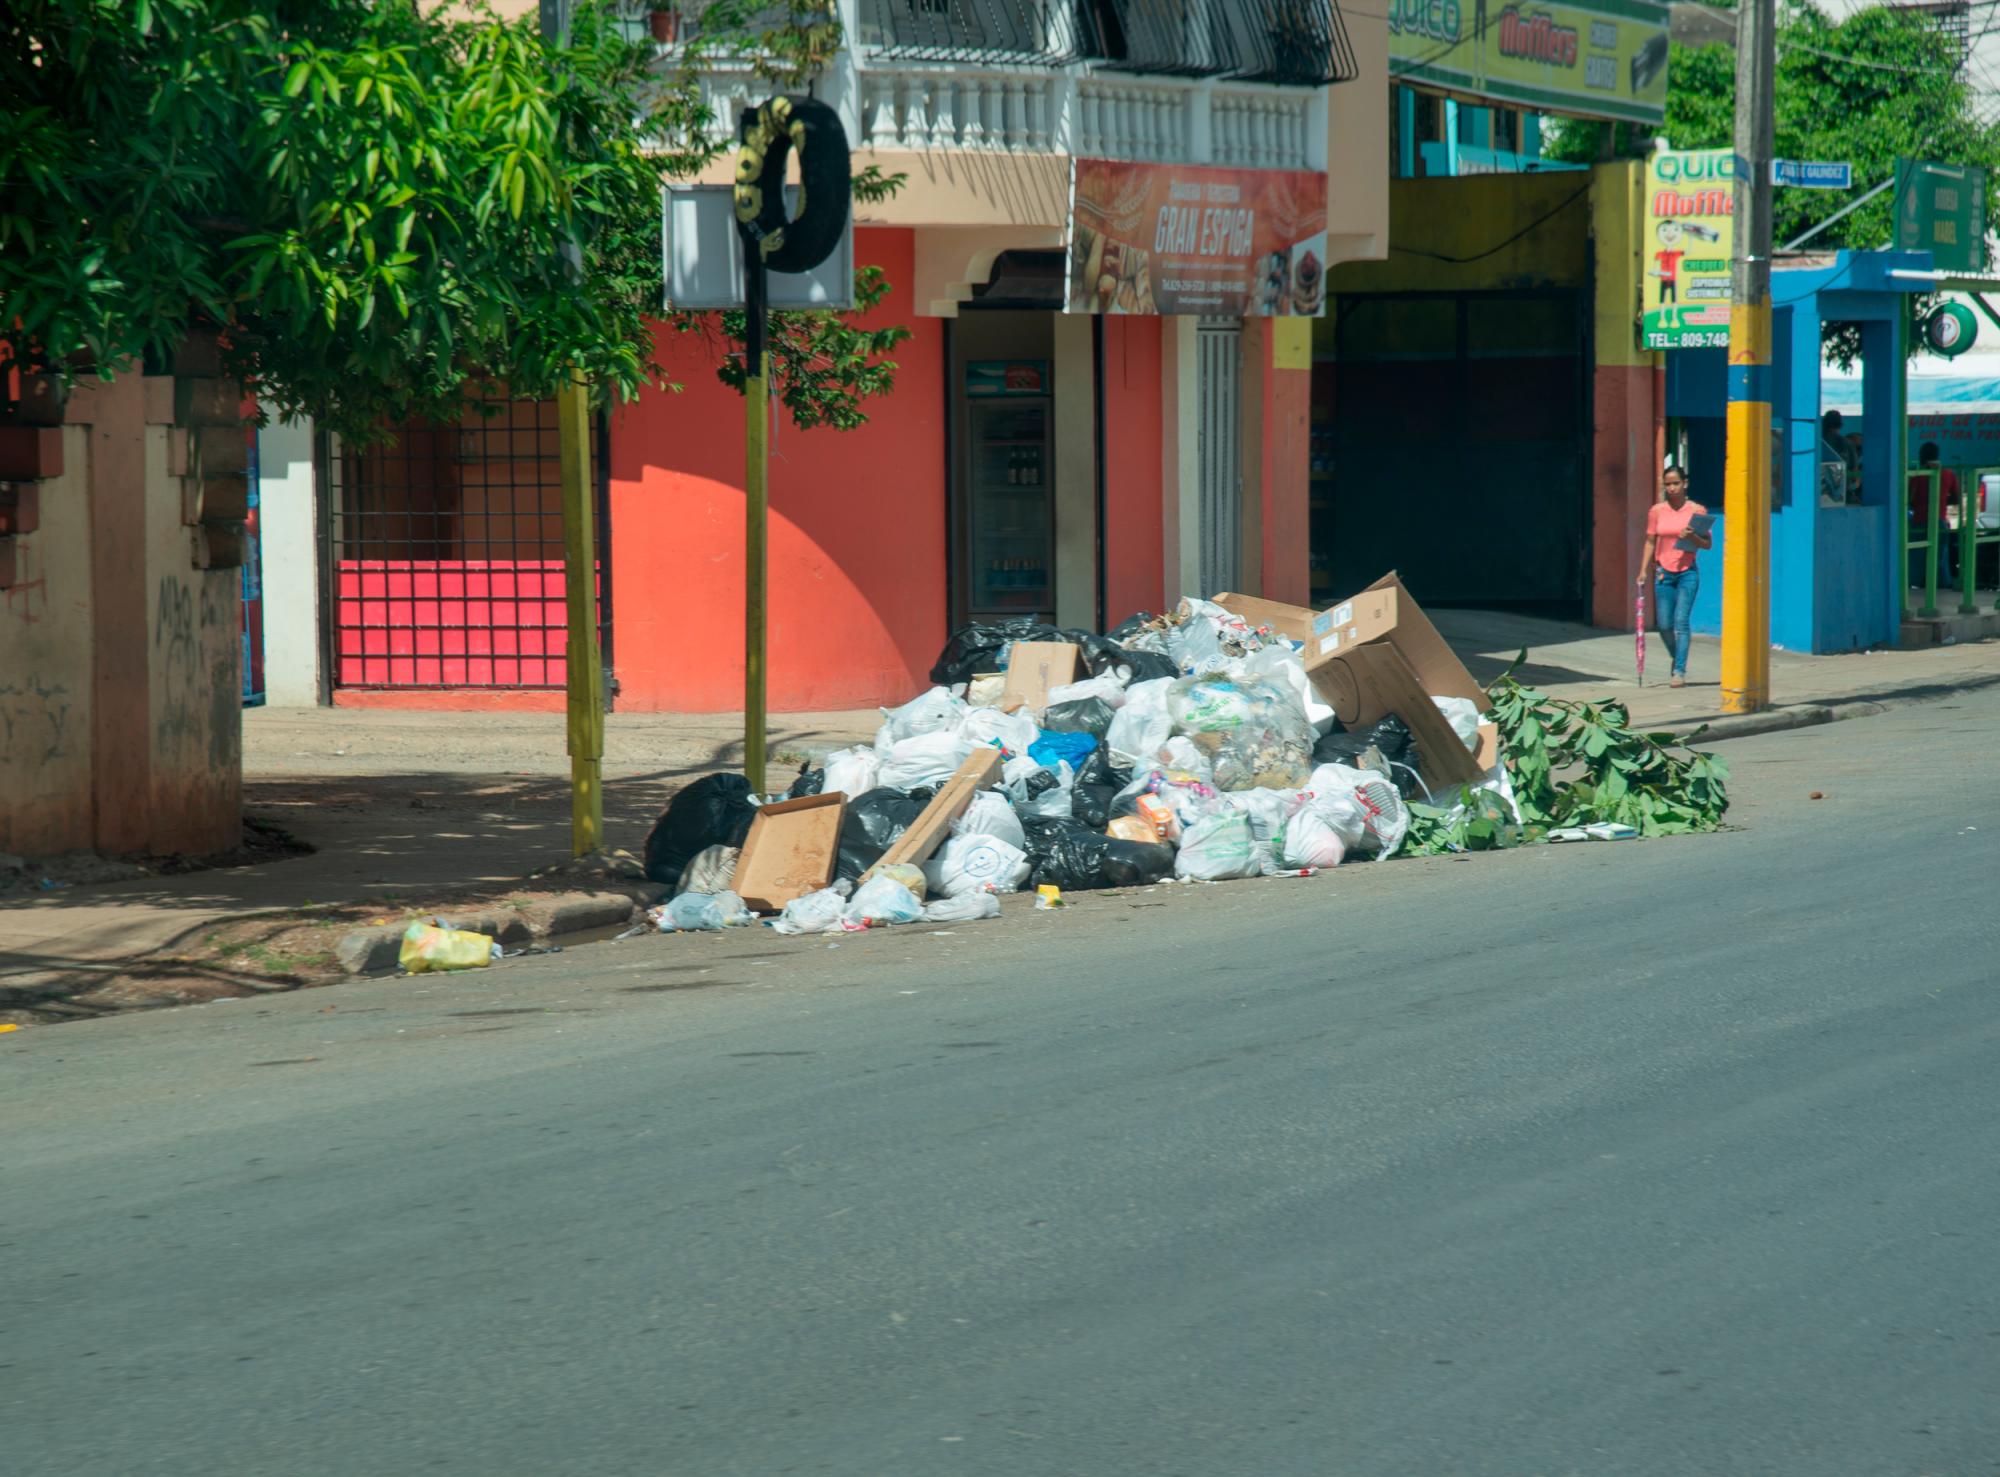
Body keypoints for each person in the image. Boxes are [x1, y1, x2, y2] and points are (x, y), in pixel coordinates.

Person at [1637, 464, 1711, 688]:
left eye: (1675, 483)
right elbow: (1651, 540)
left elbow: (1707, 544)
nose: (1671, 488)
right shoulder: (1657, 511)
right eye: (1667, 484)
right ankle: (1677, 656)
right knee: (1665, 623)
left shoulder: (1697, 511)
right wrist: (1643, 570)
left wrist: (1693, 537)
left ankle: (1679, 670)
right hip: (1663, 573)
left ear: (1684, 483)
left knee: (1681, 622)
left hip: (1688, 572)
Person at [1907, 441, 1960, 588]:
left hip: (1919, 521)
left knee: (1917, 556)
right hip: (1939, 521)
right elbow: (1956, 498)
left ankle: (1916, 583)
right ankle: (1941, 584)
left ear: (1922, 456)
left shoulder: (1917, 475)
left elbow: (1909, 500)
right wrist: (1940, 500)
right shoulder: (1948, 474)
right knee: (1940, 555)